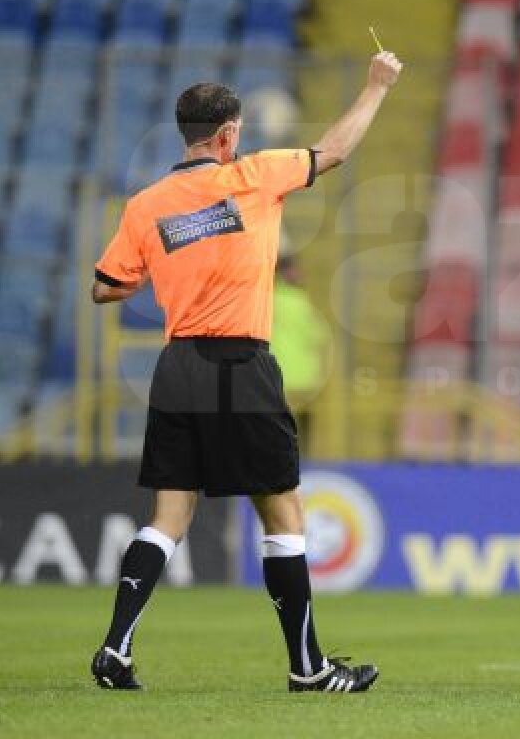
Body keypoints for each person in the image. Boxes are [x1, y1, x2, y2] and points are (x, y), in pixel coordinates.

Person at [89, 50, 403, 693]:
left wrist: (177, 264)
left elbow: (105, 289)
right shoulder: (255, 175)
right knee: (283, 512)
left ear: (186, 133)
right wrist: (375, 85)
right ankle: (308, 669)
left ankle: (114, 649)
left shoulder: (147, 204)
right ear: (229, 134)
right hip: (239, 360)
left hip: (177, 365)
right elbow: (334, 151)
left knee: (168, 515)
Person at [272, 252, 329, 441]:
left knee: (282, 431)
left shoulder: (269, 301)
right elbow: (318, 336)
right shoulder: (302, 303)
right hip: (305, 380)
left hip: (278, 378)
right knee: (300, 433)